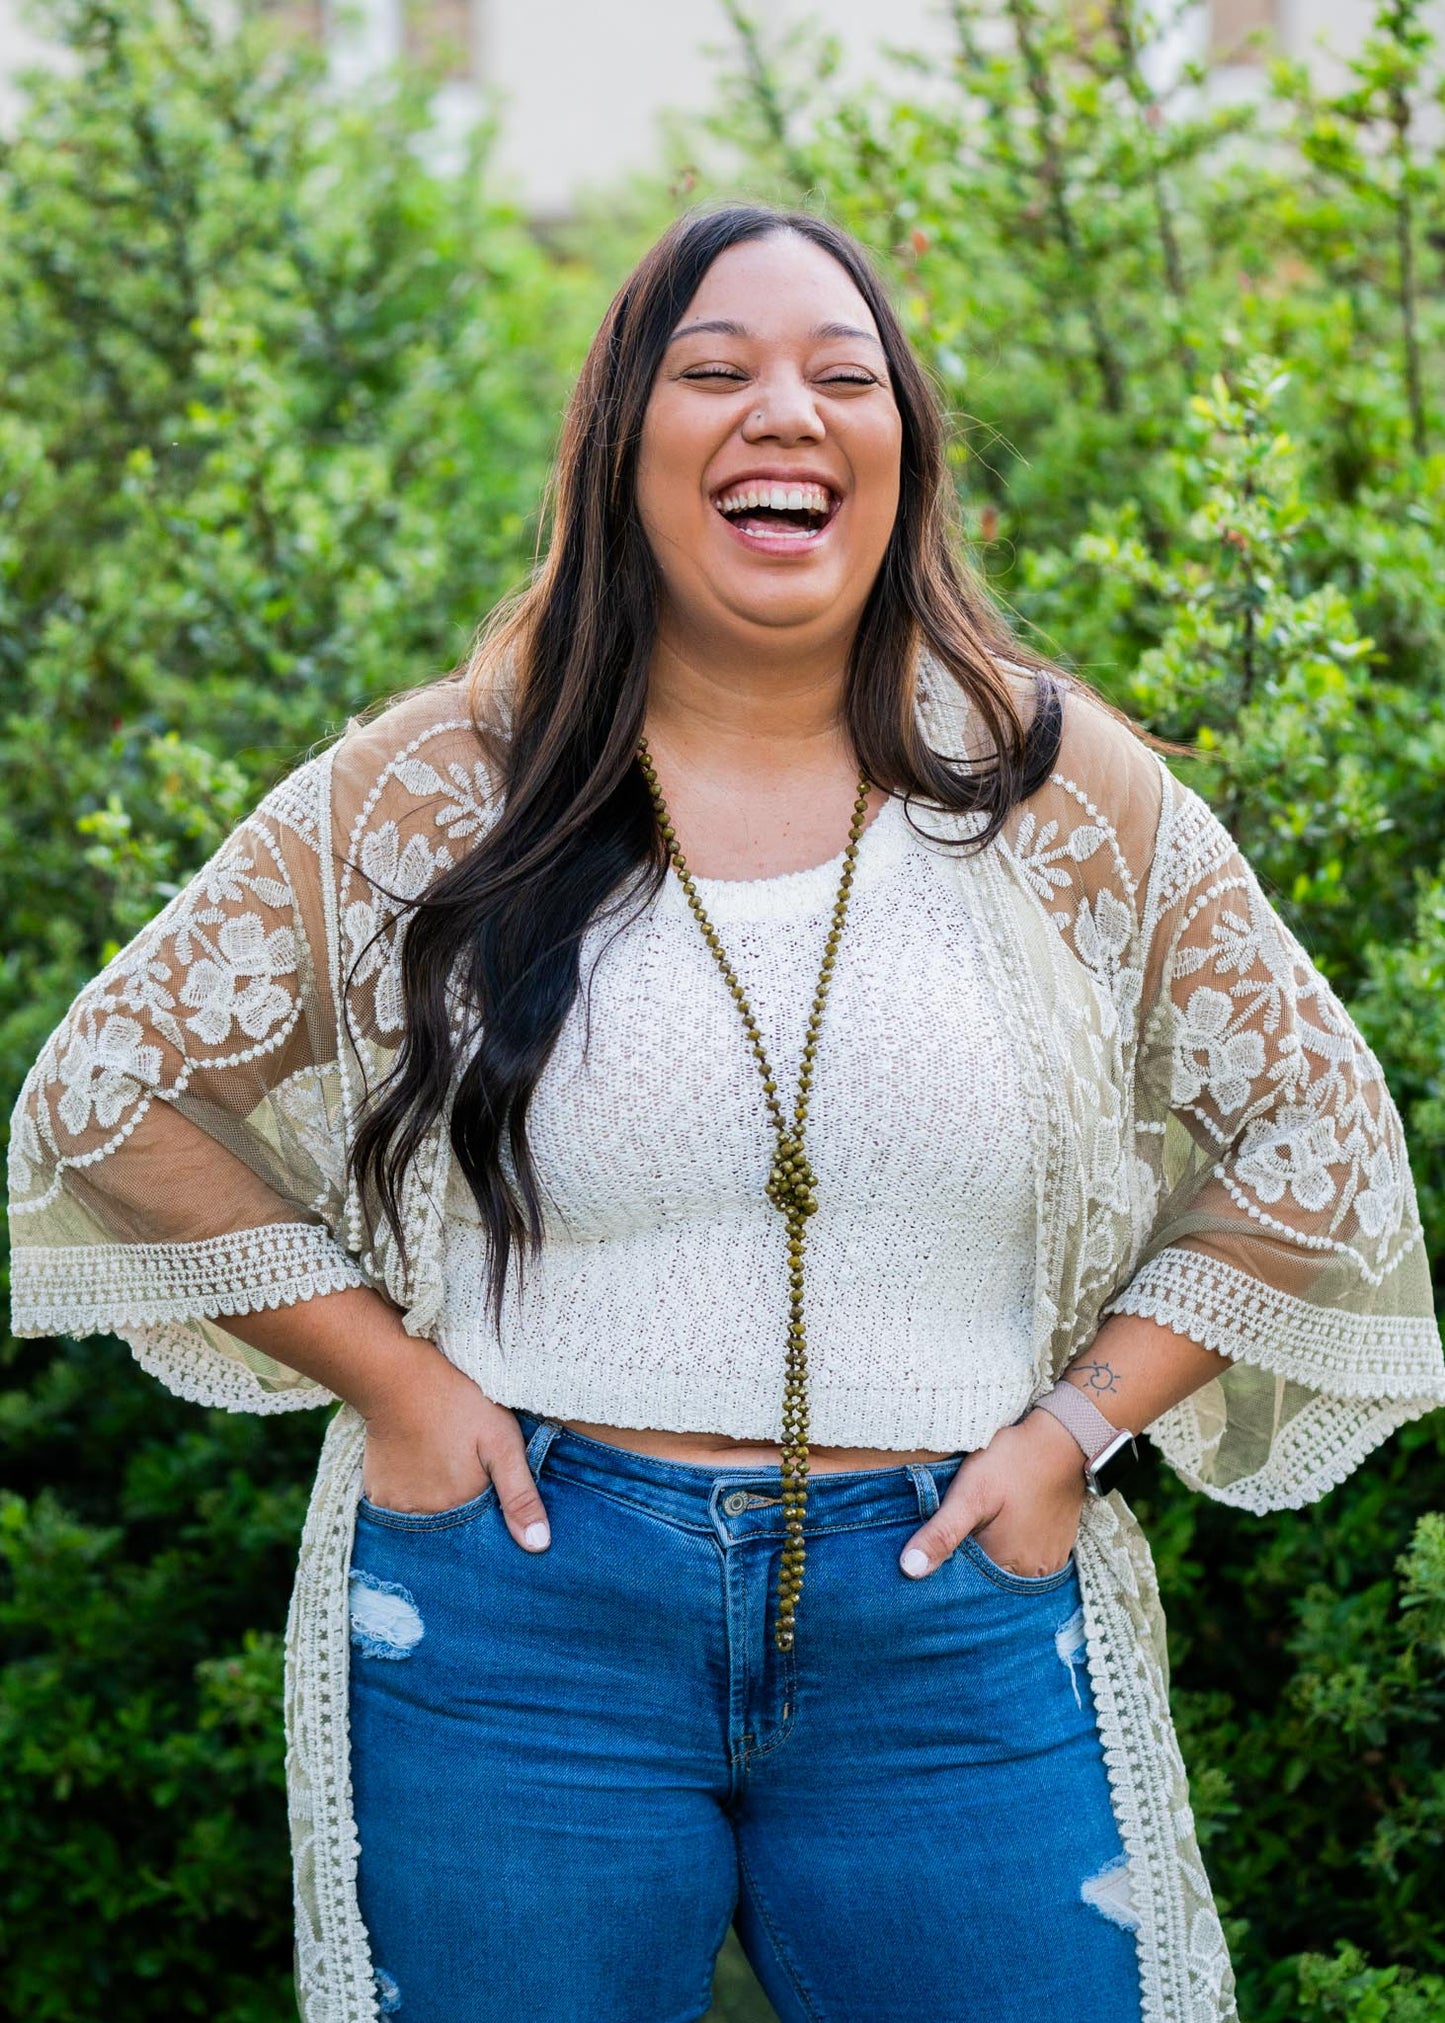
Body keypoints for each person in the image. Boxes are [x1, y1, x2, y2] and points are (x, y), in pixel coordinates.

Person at [9, 205, 1443, 2023]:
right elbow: (110, 1095)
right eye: (716, 371)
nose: (787, 410)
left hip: (952, 1616)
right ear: (624, 444)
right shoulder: (451, 776)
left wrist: (1073, 1433)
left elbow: (1314, 1140)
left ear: (900, 453)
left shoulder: (1048, 782)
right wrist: (398, 1384)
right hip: (520, 1614)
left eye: (844, 378)